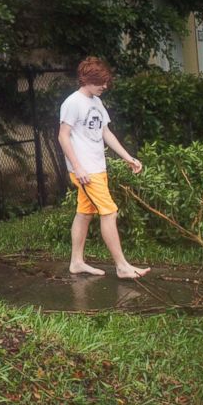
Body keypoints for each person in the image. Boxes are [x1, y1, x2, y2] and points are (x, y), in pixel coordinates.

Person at [58, 56, 149, 279]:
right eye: (100, 82)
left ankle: (76, 262)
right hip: (85, 171)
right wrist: (78, 168)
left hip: (98, 167)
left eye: (106, 82)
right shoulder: (72, 102)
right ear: (86, 79)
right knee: (110, 212)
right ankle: (122, 266)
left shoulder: (96, 102)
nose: (104, 86)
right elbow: (63, 136)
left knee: (84, 213)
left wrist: (128, 157)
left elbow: (105, 133)